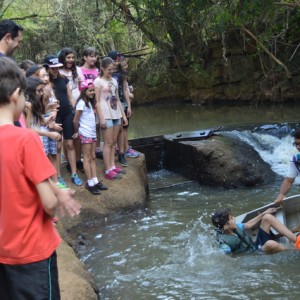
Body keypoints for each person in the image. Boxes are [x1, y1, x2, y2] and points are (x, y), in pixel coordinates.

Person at [0, 56, 81, 299]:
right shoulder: (25, 139)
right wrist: (58, 199)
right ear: (16, 94)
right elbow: (48, 204)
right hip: (32, 251)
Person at [44, 54, 83, 187]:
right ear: (47, 68)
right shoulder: (44, 82)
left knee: (70, 144)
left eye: (57, 67)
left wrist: (74, 110)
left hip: (67, 113)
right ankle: (58, 176)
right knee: (58, 146)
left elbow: (70, 96)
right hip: (54, 116)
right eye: (53, 68)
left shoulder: (64, 79)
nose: (55, 70)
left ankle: (74, 173)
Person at [211, 207, 300, 255]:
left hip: (256, 246)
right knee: (270, 243)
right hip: (256, 255)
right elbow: (224, 256)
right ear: (226, 226)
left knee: (267, 217)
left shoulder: (234, 227)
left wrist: (263, 213)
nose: (234, 218)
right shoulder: (224, 244)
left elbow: (249, 225)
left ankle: (297, 241)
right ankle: (295, 250)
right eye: (231, 218)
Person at [94, 57, 128, 180]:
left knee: (113, 142)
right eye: (109, 69)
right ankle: (108, 170)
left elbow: (118, 98)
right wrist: (101, 118)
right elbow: (96, 101)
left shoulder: (114, 80)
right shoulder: (97, 82)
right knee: (108, 143)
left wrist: (123, 115)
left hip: (116, 112)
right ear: (102, 68)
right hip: (105, 113)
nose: (111, 71)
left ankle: (113, 166)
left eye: (113, 69)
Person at [73, 81, 108, 194]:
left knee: (92, 157)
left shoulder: (90, 103)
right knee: (87, 158)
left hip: (92, 133)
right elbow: (75, 120)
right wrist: (77, 132)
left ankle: (95, 180)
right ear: (84, 91)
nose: (92, 92)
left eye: (93, 90)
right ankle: (89, 182)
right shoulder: (81, 103)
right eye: (90, 90)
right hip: (85, 132)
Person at [107, 50, 139, 167]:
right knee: (115, 130)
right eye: (116, 59)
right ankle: (114, 153)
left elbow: (125, 89)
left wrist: (129, 106)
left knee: (122, 129)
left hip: (122, 103)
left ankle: (121, 153)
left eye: (119, 59)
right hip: (111, 105)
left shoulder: (122, 73)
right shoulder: (106, 73)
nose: (118, 61)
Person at [59, 47, 84, 173]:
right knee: (67, 136)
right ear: (63, 58)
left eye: (73, 58)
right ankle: (70, 162)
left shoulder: (78, 70)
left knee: (78, 134)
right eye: (68, 57)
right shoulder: (58, 71)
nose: (71, 60)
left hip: (78, 104)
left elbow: (83, 87)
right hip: (65, 106)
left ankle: (78, 160)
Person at [275, 129, 300, 204]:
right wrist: (281, 194)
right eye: (296, 144)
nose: (298, 147)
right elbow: (288, 181)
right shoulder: (296, 159)